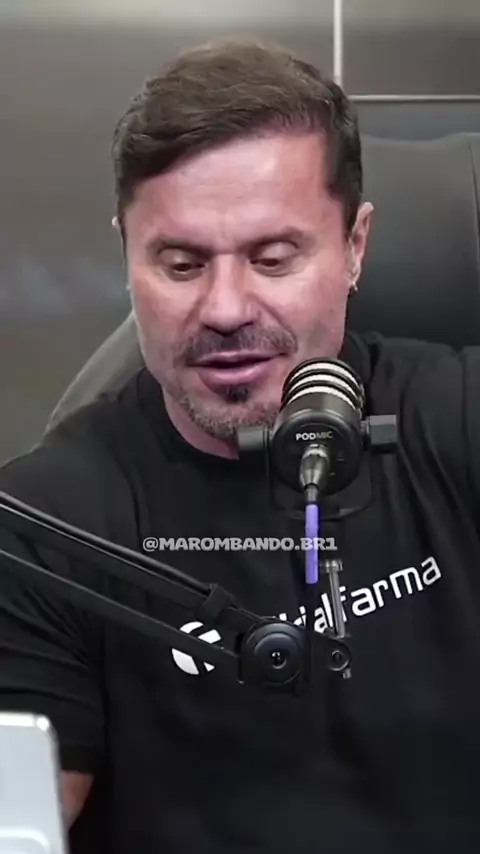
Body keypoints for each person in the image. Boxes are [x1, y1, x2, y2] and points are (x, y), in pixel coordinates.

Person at [0, 36, 480, 854]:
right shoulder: (43, 528)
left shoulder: (459, 415)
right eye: (182, 264)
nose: (225, 309)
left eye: (272, 258)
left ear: (355, 247)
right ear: (127, 254)